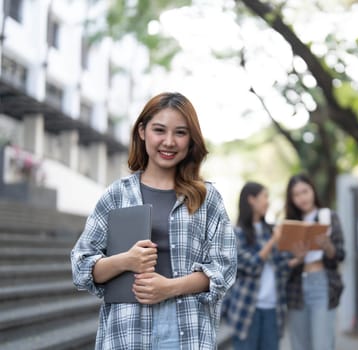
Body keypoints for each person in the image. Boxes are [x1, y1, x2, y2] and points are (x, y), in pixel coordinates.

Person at [70, 92, 237, 350]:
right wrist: (125, 260)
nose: (169, 142)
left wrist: (169, 287)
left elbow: (224, 268)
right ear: (142, 131)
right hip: (127, 329)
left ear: (191, 139)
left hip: (186, 328)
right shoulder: (117, 195)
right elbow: (81, 267)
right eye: (159, 130)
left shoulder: (207, 198)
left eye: (180, 133)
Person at [223, 181, 292, 350]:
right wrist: (273, 242)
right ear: (251, 199)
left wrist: (298, 257)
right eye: (264, 197)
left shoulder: (271, 230)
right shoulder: (236, 232)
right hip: (247, 309)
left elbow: (281, 267)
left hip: (273, 309)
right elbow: (251, 266)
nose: (268, 201)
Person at [284, 173, 345, 350]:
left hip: (322, 283)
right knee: (300, 345)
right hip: (296, 288)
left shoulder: (329, 217)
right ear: (291, 199)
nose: (302, 197)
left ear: (313, 190)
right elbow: (283, 263)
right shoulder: (290, 224)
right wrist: (297, 258)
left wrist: (327, 246)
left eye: (305, 191)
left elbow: (340, 255)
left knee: (322, 344)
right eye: (296, 194)